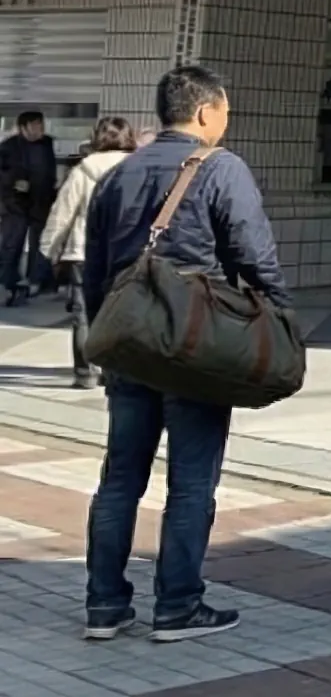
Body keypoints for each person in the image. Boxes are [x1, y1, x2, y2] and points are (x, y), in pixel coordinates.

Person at [82, 65, 288, 643]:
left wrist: (106, 341)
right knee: (191, 482)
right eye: (224, 110)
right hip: (195, 346)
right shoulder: (223, 168)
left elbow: (96, 272)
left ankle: (105, 605)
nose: (226, 120)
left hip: (129, 346)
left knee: (120, 478)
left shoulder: (116, 175)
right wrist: (280, 315)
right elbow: (255, 254)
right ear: (204, 112)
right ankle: (176, 605)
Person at [41, 117, 138, 391]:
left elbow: (63, 212)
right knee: (117, 314)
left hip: (82, 251)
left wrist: (49, 248)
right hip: (123, 252)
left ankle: (85, 373)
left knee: (82, 314)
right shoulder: (137, 168)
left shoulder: (84, 169)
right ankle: (112, 371)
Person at [2, 110, 60, 304]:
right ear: (23, 128)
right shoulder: (8, 147)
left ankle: (38, 279)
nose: (40, 130)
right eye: (35, 126)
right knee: (13, 243)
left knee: (41, 243)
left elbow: (49, 170)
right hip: (15, 204)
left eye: (41, 125)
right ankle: (9, 281)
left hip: (40, 201)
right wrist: (13, 182)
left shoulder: (47, 144)